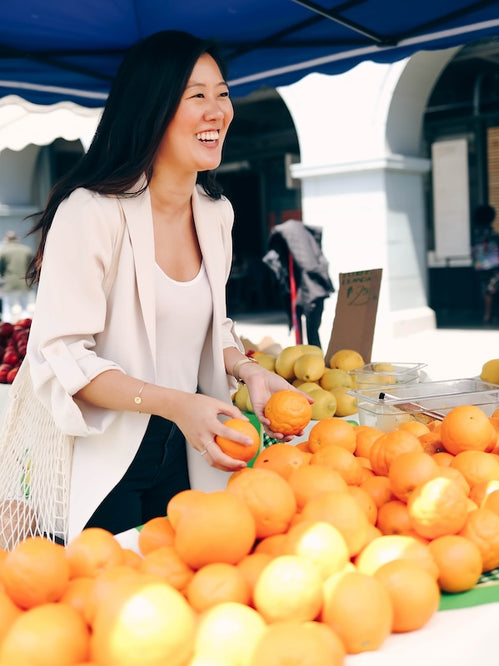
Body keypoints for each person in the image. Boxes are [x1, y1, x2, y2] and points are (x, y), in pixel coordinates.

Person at [25, 30, 306, 542]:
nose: (217, 110)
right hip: (103, 457)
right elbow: (65, 356)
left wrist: (247, 369)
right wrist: (176, 403)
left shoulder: (216, 213)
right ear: (152, 109)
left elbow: (212, 324)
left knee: (185, 589)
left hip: (186, 449)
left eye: (222, 93)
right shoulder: (91, 212)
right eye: (196, 95)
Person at [263, 219, 334, 348]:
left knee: (312, 332)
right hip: (306, 290)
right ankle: (308, 355)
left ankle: (314, 358)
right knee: (309, 333)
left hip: (312, 292)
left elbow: (307, 264)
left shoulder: (304, 244)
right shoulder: (300, 239)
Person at [471, 204, 499, 324]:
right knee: (491, 289)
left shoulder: (474, 230)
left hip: (480, 264)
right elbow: (497, 243)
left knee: (485, 289)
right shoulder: (488, 230)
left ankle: (488, 314)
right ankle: (488, 315)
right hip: (491, 264)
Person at [0, 230, 34, 323]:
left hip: (10, 283)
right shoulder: (26, 249)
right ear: (17, 239)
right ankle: (26, 330)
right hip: (25, 282)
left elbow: (1, 268)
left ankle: (11, 332)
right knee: (27, 308)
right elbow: (32, 265)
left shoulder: (3, 251)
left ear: (7, 239)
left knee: (11, 309)